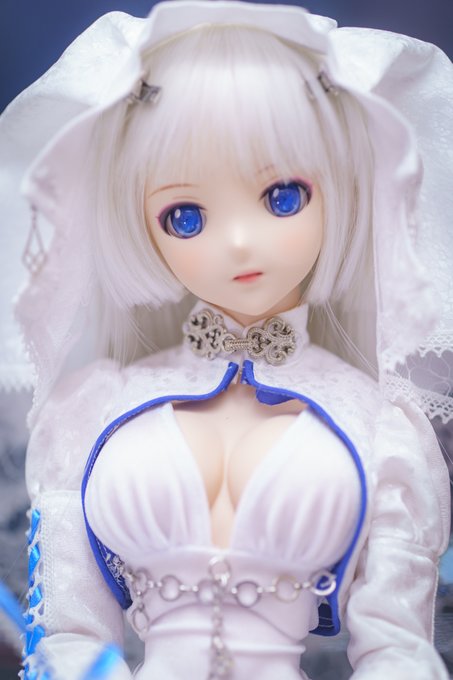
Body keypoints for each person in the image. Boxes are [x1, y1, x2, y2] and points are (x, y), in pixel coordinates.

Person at [1, 1, 451, 678]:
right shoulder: (87, 411)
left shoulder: (383, 426)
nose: (238, 242)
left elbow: (398, 652)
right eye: (185, 215)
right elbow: (67, 639)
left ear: (341, 190)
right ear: (137, 221)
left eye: (283, 197)